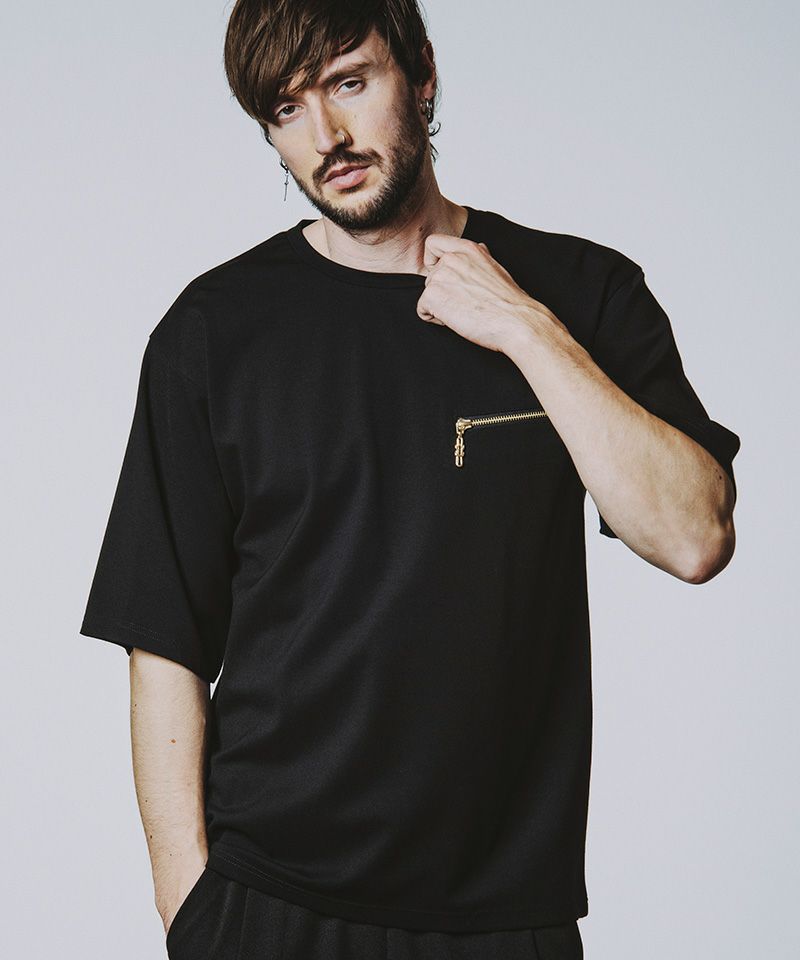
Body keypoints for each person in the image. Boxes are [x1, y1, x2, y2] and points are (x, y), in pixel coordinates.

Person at [79, 2, 741, 958]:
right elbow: (164, 639)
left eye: (349, 83)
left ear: (422, 74)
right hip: (272, 904)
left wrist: (526, 329)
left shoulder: (581, 291)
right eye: (286, 108)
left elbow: (694, 536)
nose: (327, 136)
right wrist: (193, 914)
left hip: (504, 917)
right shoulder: (214, 332)